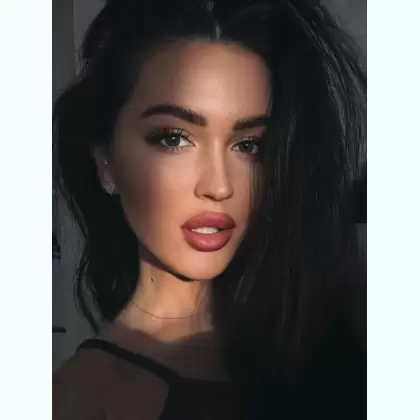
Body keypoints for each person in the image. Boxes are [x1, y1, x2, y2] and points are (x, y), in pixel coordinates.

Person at [52, 0, 366, 418]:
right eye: (173, 139)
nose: (219, 186)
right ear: (105, 162)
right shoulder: (82, 400)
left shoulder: (329, 316)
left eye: (249, 145)